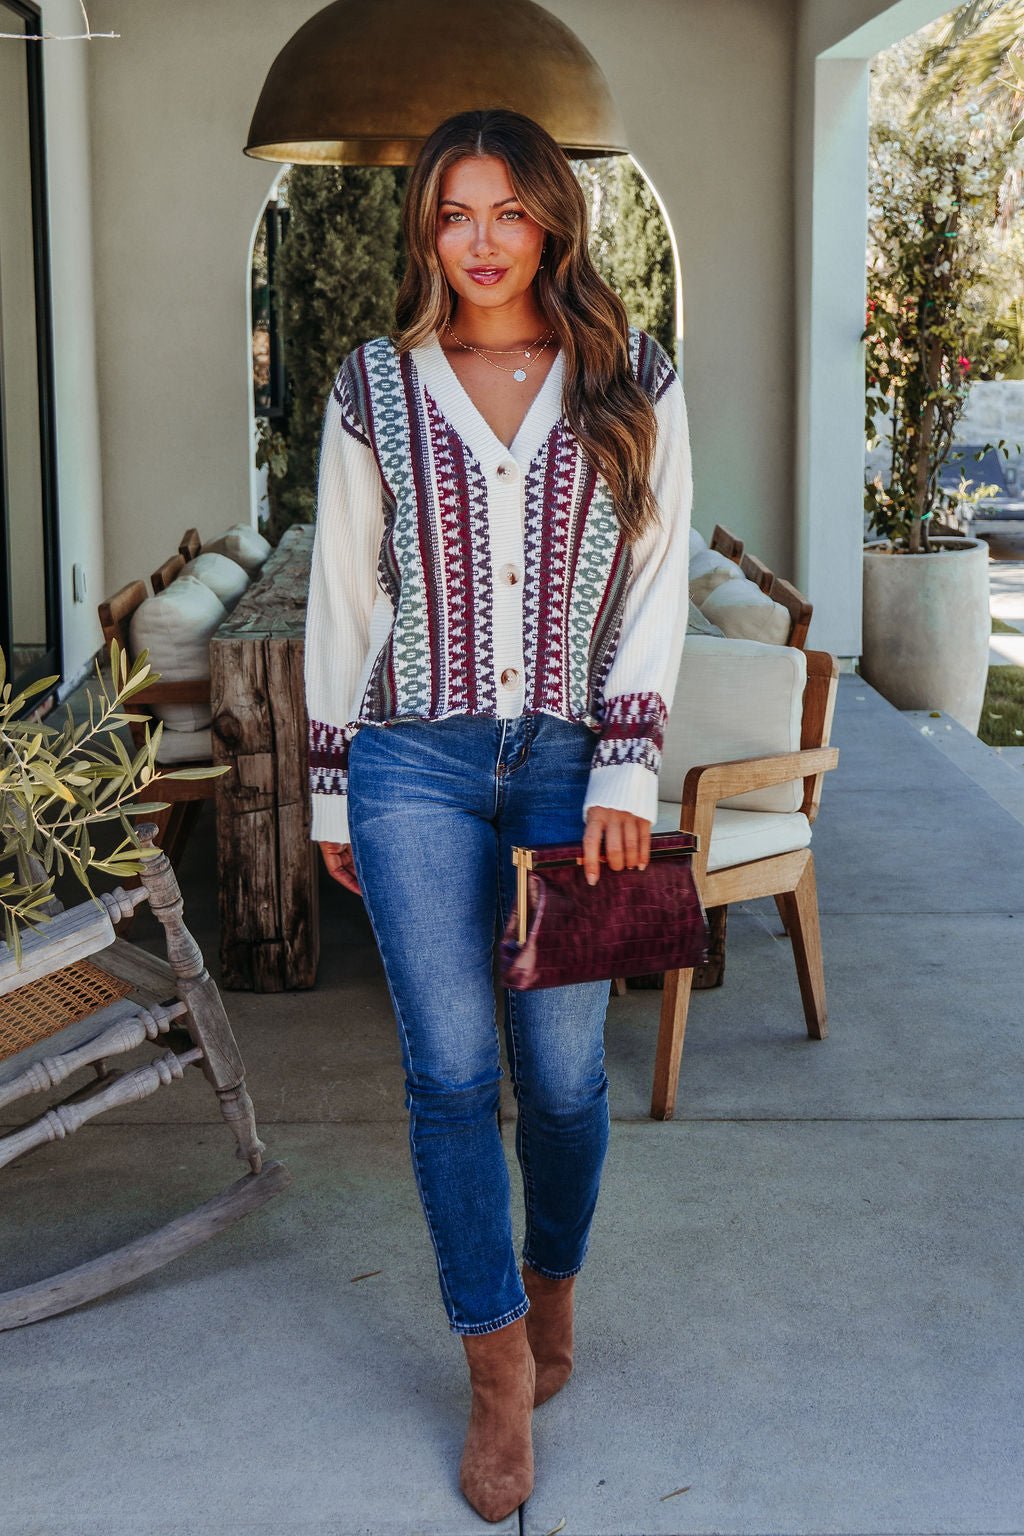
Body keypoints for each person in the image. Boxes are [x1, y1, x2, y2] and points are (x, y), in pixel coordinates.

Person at [304, 107, 693, 1523]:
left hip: (572, 765)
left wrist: (623, 777)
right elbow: (346, 598)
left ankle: (554, 1290)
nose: (479, 242)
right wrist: (333, 783)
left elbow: (654, 589)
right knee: (453, 1077)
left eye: (507, 211)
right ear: (427, 228)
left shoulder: (630, 374)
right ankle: (493, 1372)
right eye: (454, 213)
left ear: (551, 221)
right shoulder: (373, 387)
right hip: (413, 758)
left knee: (568, 1076)